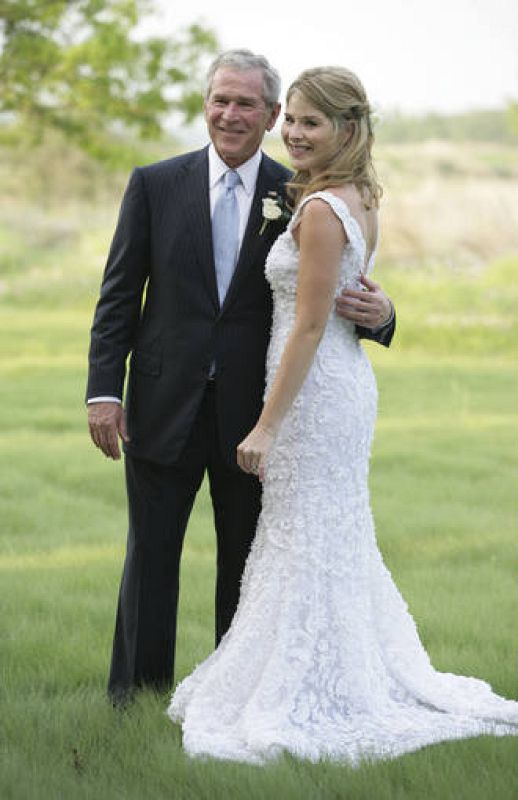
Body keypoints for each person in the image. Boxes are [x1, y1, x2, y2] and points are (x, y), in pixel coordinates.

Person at [168, 65, 518, 764]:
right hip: (334, 383)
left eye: (311, 122)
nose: (295, 134)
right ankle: (334, 669)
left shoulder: (323, 209)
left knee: (306, 536)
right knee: (319, 536)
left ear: (347, 128)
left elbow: (307, 324)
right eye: (292, 120)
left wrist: (267, 424)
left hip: (313, 394)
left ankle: (312, 684)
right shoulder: (355, 194)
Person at [86, 50, 395, 704]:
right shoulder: (154, 184)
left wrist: (386, 315)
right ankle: (136, 697)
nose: (230, 114)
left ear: (271, 114)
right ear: (205, 104)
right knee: (150, 557)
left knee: (247, 567)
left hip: (255, 412)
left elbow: (330, 297)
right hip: (162, 402)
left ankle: (232, 698)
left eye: (246, 103)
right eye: (219, 100)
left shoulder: (302, 190)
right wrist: (105, 391)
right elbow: (119, 296)